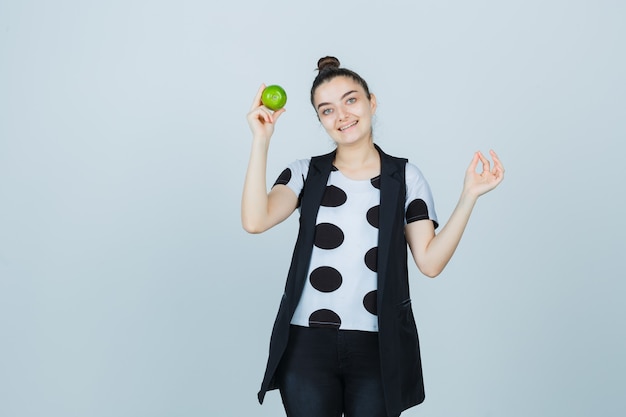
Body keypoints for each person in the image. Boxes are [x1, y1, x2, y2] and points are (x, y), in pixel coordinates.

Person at [242, 56, 505, 417]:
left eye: (351, 100)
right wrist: (261, 140)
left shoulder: (406, 177)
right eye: (327, 110)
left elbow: (429, 262)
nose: (342, 116)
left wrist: (468, 197)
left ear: (371, 102)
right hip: (306, 345)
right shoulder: (305, 174)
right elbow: (255, 221)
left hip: (378, 346)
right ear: (320, 120)